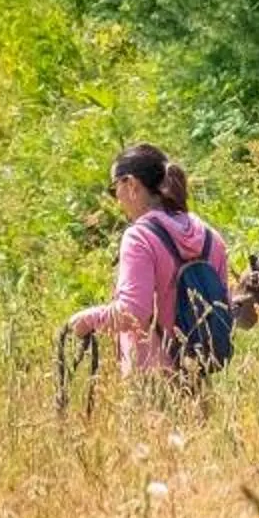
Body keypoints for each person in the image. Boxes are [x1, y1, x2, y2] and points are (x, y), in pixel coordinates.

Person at [65, 143, 231, 375]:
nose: (117, 199)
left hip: (151, 378)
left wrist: (88, 320)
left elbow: (133, 312)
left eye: (114, 189)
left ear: (131, 184)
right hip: (198, 373)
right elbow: (225, 306)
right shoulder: (210, 237)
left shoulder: (140, 237)